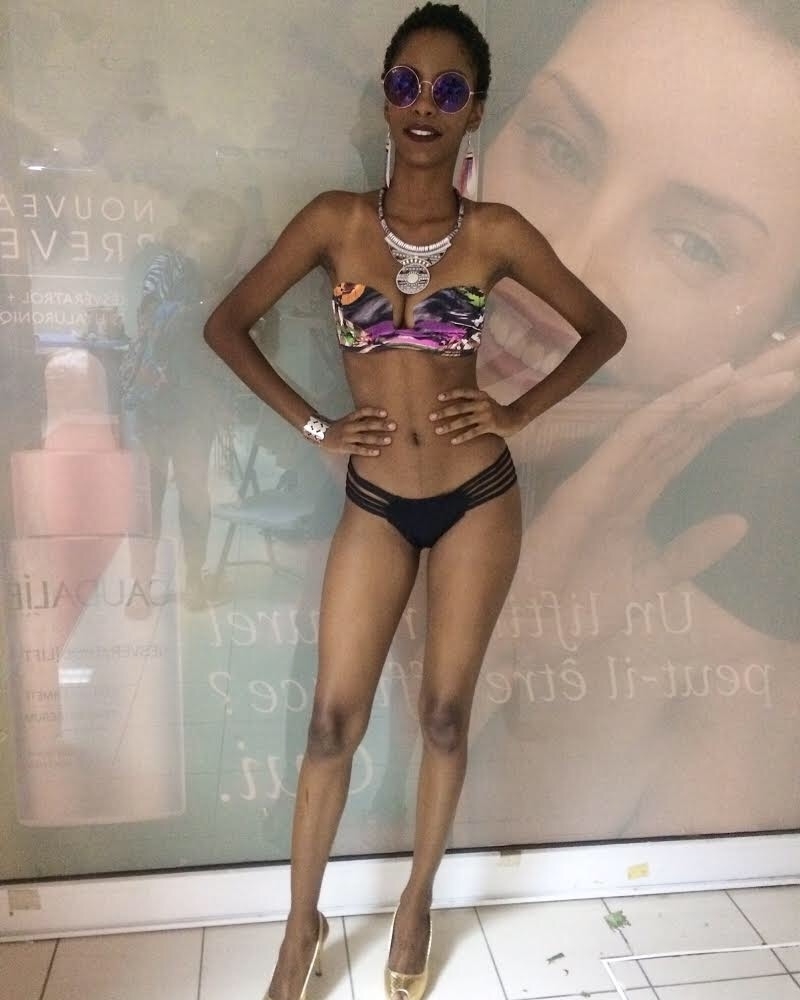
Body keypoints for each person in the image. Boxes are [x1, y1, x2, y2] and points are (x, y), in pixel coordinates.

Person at [204, 5, 625, 999]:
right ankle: (300, 925)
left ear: (476, 110)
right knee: (330, 725)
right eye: (405, 84)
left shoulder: (497, 233)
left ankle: (416, 899)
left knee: (441, 716)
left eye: (448, 89)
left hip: (477, 499)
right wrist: (317, 427)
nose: (422, 104)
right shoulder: (334, 222)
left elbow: (602, 330)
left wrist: (516, 411)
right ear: (385, 97)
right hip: (376, 500)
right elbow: (227, 325)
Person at [462, 0, 800, 842]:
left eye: (694, 244)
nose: (561, 264)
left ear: (779, 345)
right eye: (559, 147)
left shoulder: (727, 706)